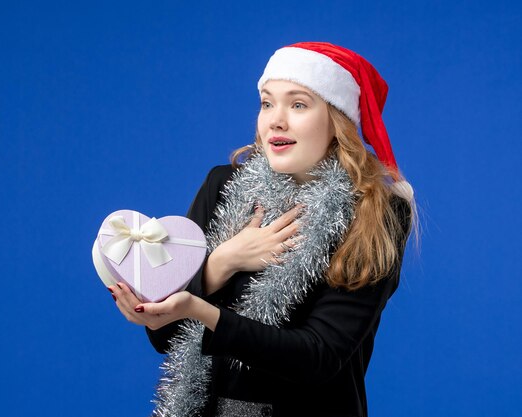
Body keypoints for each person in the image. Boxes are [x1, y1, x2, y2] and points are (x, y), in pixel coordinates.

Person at [108, 41, 415, 417]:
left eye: (298, 104)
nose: (276, 120)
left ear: (338, 122)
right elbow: (166, 336)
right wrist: (220, 263)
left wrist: (200, 309)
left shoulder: (376, 213)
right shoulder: (222, 187)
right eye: (267, 103)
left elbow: (318, 356)